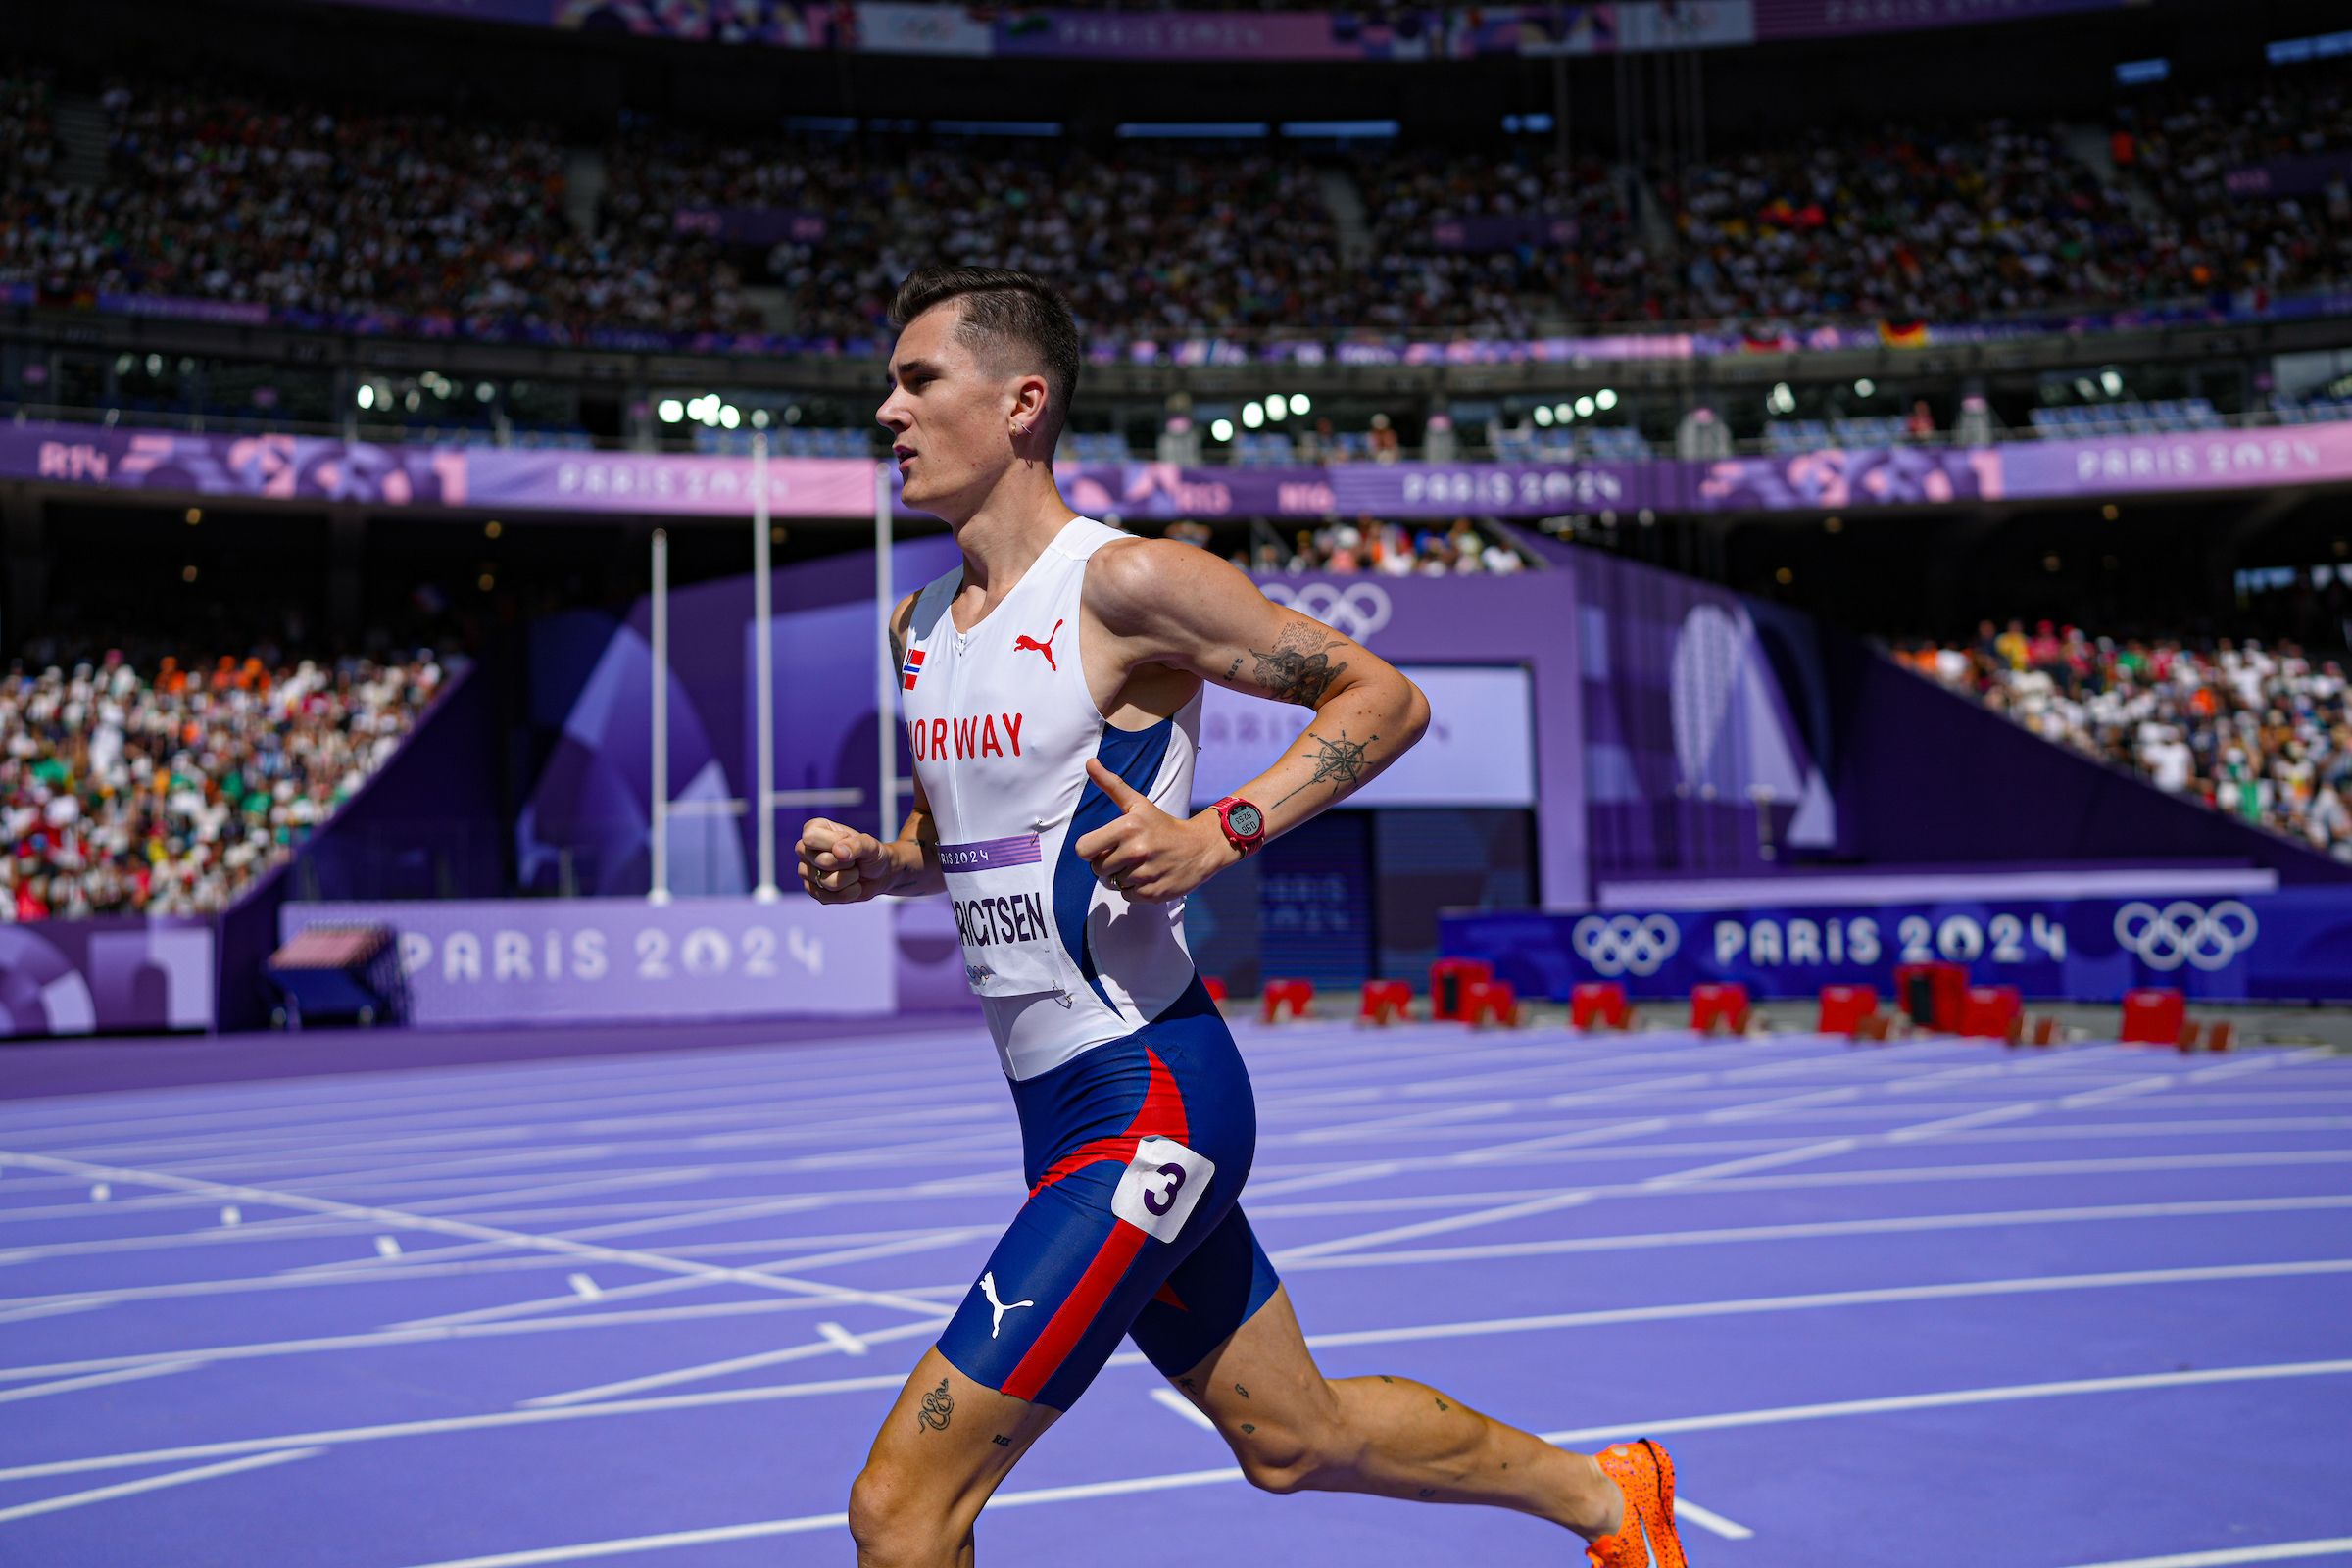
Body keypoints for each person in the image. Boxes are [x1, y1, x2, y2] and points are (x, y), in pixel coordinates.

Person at [797, 265, 1688, 1568]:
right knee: (1295, 1440)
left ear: (1022, 402)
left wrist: (1224, 829)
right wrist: (885, 863)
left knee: (902, 1505)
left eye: (919, 381)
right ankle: (1616, 1502)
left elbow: (1380, 698)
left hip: (1152, 1095)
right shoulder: (918, 626)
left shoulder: (1127, 584)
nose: (887, 411)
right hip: (1052, 1106)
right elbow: (986, 833)